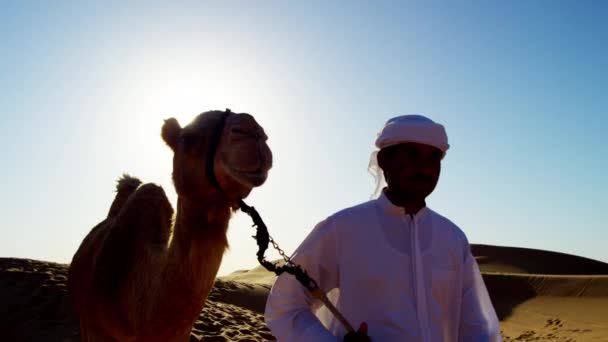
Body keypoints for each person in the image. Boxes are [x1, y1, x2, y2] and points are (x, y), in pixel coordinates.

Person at [264, 114, 502, 341]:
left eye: (434, 157)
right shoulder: (343, 229)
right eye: (413, 154)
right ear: (384, 160)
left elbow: (477, 328)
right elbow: (285, 306)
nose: (425, 167)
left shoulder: (452, 238)